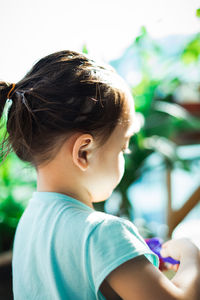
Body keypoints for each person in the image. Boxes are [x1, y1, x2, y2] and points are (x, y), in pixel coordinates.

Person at [0, 50, 199, 300]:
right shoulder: (104, 234)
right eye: (123, 147)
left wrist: (132, 258)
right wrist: (191, 255)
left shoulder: (30, 223)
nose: (125, 155)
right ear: (83, 152)